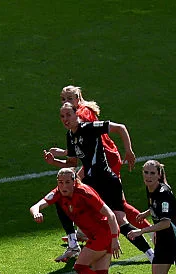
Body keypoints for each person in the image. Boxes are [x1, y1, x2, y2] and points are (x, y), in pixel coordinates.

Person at [30, 168, 146, 274]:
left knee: (80, 267)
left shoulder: (85, 193)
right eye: (60, 182)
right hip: (99, 235)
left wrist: (114, 239)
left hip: (104, 233)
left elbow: (110, 215)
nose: (63, 186)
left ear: (75, 181)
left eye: (67, 182)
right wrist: (37, 213)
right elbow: (35, 206)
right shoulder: (58, 192)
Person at [43, 102, 154, 261]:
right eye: (62, 116)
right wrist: (53, 162)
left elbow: (120, 127)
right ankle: (75, 243)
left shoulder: (90, 128)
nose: (65, 119)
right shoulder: (70, 136)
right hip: (91, 184)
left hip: (107, 181)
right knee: (62, 198)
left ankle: (152, 255)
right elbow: (72, 164)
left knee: (121, 222)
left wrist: (128, 151)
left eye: (68, 115)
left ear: (76, 114)